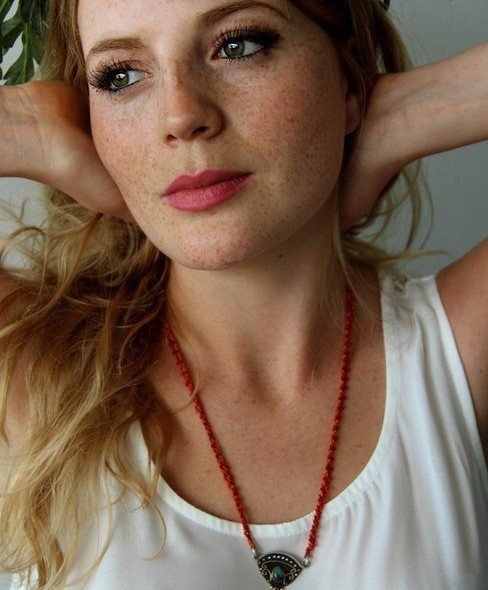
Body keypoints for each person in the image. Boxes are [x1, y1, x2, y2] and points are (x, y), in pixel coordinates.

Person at [0, 0, 486, 588]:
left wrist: (409, 111)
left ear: (348, 77)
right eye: (121, 76)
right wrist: (22, 126)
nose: (181, 115)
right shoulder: (33, 369)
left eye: (238, 45)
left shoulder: (462, 348)